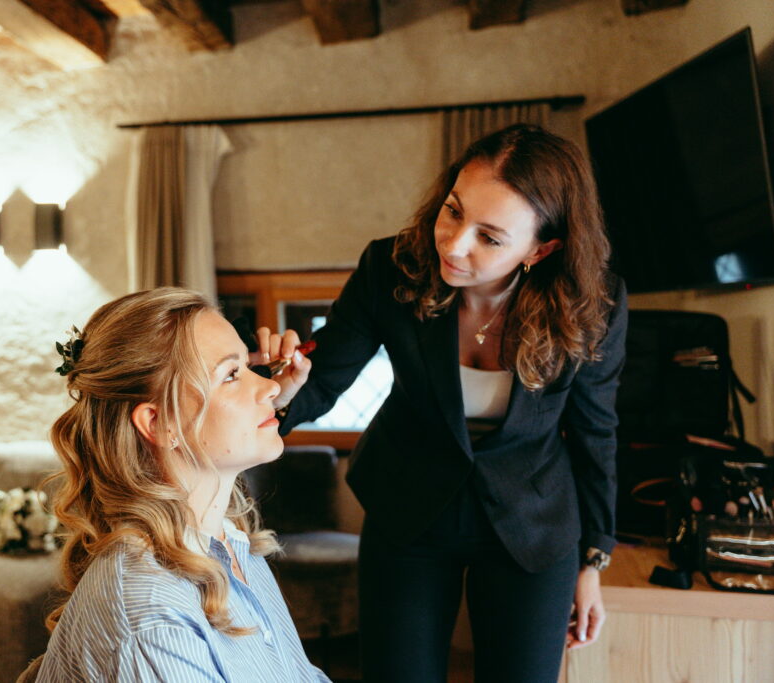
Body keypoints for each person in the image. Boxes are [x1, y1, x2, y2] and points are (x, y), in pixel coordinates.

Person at [257, 124, 628, 683]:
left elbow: (595, 430)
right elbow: (323, 378)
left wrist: (594, 559)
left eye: (490, 237)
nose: (453, 244)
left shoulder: (594, 302)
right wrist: (274, 396)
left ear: (541, 249)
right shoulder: (390, 267)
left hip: (533, 520)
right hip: (408, 506)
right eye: (453, 211)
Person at [36, 288, 329, 682]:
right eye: (231, 375)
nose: (272, 387)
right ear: (159, 424)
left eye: (249, 366)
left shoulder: (229, 544)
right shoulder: (153, 616)